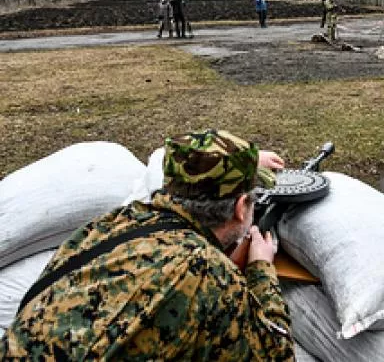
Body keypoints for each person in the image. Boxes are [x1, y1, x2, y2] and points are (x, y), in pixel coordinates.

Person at [0, 129, 294, 361]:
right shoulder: (206, 270)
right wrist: (260, 268)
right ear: (242, 208)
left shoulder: (113, 223)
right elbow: (277, 354)